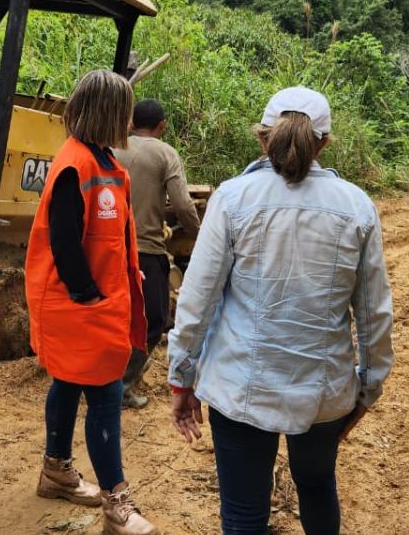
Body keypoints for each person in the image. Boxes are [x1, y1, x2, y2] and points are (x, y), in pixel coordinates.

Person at [166, 86, 394, 535]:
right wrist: (368, 387)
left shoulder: (232, 199)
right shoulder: (356, 207)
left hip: (238, 389)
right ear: (324, 142)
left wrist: (182, 375)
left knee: (244, 513)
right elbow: (373, 314)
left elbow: (198, 299)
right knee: (316, 487)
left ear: (262, 138)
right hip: (324, 394)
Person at [26, 70, 159, 535]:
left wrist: (123, 273)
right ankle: (117, 504)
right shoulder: (75, 164)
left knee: (66, 382)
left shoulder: (101, 161)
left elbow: (104, 237)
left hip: (95, 302)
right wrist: (89, 294)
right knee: (106, 394)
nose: (128, 119)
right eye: (124, 110)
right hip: (80, 306)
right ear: (108, 113)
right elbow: (63, 242)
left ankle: (56, 470)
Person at [113, 99, 201, 409]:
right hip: (146, 251)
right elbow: (182, 205)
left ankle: (103, 378)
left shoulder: (110, 147)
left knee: (113, 317)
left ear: (131, 122)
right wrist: (201, 236)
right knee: (153, 319)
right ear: (161, 127)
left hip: (109, 249)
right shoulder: (166, 154)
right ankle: (122, 385)